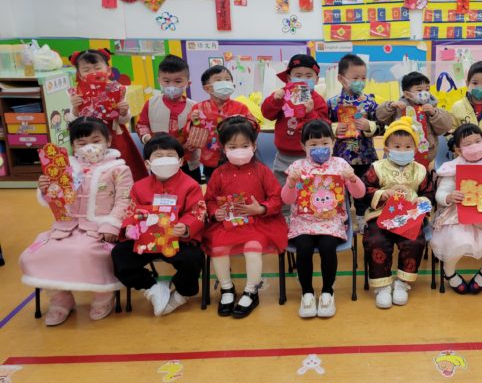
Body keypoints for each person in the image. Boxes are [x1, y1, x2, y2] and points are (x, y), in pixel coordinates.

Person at [19, 117, 132, 326]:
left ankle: (103, 297)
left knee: (85, 252)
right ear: (73, 145)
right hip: (66, 228)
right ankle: (61, 300)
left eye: (96, 141)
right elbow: (55, 201)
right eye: (82, 142)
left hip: (99, 230)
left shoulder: (119, 169)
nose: (89, 146)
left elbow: (125, 200)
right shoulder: (63, 167)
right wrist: (45, 189)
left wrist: (111, 225)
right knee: (34, 255)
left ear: (108, 141)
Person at [111, 133, 206, 316]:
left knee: (193, 258)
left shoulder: (191, 185)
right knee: (119, 255)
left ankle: (182, 294)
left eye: (170, 155)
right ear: (148, 163)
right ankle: (152, 287)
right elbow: (131, 211)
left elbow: (197, 211)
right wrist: (130, 227)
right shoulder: (139, 187)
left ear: (180, 161)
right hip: (146, 241)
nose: (165, 160)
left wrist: (186, 227)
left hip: (176, 240)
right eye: (159, 156)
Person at [203, 117, 287, 318]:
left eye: (244, 145)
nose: (239, 151)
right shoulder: (219, 174)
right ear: (224, 148)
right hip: (227, 224)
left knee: (252, 248)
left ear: (254, 146)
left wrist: (261, 209)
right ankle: (227, 288)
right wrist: (215, 213)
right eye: (233, 147)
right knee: (218, 248)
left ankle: (251, 291)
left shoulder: (262, 171)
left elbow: (277, 198)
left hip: (259, 223)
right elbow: (209, 200)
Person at [282, 120, 365, 318]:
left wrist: (353, 179)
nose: (320, 147)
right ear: (303, 146)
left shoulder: (340, 165)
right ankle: (307, 294)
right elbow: (287, 199)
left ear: (333, 142)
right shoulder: (297, 167)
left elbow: (360, 194)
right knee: (303, 247)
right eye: (313, 144)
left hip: (331, 220)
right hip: (303, 220)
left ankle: (328, 292)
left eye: (325, 143)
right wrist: (291, 184)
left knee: (328, 246)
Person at [361, 117, 435, 308]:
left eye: (407, 147)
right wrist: (383, 194)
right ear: (386, 148)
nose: (402, 151)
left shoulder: (420, 170)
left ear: (415, 149)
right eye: (397, 146)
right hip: (380, 215)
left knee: (414, 241)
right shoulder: (377, 168)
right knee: (376, 240)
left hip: (410, 216)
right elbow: (365, 189)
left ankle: (403, 283)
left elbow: (429, 194)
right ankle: (383, 285)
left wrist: (420, 202)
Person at [431, 123, 482, 295]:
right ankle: (449, 271)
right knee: (458, 241)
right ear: (458, 150)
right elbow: (441, 193)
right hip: (459, 215)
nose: (474, 146)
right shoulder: (453, 168)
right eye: (467, 144)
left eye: (477, 141)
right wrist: (449, 197)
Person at [68, 49, 147, 181]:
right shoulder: (75, 93)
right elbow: (72, 121)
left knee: (123, 165)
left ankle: (127, 189)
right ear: (79, 74)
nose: (93, 73)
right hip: (87, 137)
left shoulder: (118, 89)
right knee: (90, 172)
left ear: (108, 70)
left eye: (97, 68)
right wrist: (75, 108)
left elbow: (123, 120)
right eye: (86, 70)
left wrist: (123, 111)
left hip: (114, 135)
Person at [261, 54, 330, 188]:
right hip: (283, 156)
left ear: (316, 80)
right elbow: (267, 114)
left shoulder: (317, 100)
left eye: (308, 76)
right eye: (298, 75)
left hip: (309, 157)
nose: (303, 79)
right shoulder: (282, 94)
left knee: (308, 190)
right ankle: (285, 203)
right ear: (289, 78)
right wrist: (275, 100)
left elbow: (324, 127)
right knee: (283, 190)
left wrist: (310, 113)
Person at [180, 65, 256, 184]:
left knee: (237, 187)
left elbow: (254, 128)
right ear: (207, 88)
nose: (224, 83)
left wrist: (244, 123)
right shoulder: (198, 108)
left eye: (227, 79)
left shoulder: (240, 107)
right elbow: (188, 135)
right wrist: (193, 123)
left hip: (236, 158)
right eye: (218, 80)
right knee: (213, 188)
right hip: (210, 160)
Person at [326, 54, 379, 217]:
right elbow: (323, 127)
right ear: (341, 79)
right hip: (341, 157)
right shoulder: (332, 103)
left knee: (363, 189)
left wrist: (369, 126)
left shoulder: (370, 102)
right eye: (355, 78)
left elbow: (382, 127)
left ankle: (363, 218)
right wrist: (334, 128)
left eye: (363, 78)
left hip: (366, 157)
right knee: (341, 190)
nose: (360, 82)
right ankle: (344, 219)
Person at [376, 71, 453, 167]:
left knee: (421, 174)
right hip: (399, 153)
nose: (424, 93)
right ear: (407, 94)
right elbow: (380, 116)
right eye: (419, 90)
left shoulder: (431, 108)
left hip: (425, 155)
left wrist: (434, 113)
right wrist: (390, 106)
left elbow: (446, 126)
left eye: (427, 89)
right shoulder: (398, 107)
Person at [136, 55, 195, 144]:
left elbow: (199, 129)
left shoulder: (194, 107)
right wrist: (147, 138)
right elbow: (142, 124)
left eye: (178, 81)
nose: (172, 86)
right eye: (166, 81)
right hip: (157, 150)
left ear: (188, 84)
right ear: (159, 81)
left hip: (185, 151)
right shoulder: (151, 104)